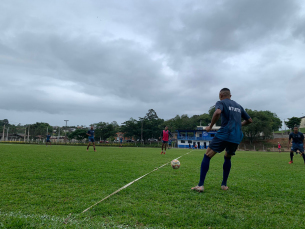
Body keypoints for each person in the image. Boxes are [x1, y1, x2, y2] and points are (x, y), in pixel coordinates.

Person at [192, 88, 252, 192]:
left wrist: (210, 126)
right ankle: (224, 185)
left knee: (207, 155)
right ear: (230, 95)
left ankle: (200, 185)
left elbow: (217, 112)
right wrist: (238, 125)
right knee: (227, 157)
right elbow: (249, 120)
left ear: (220, 95)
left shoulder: (221, 102)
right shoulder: (238, 106)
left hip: (225, 133)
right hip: (236, 136)